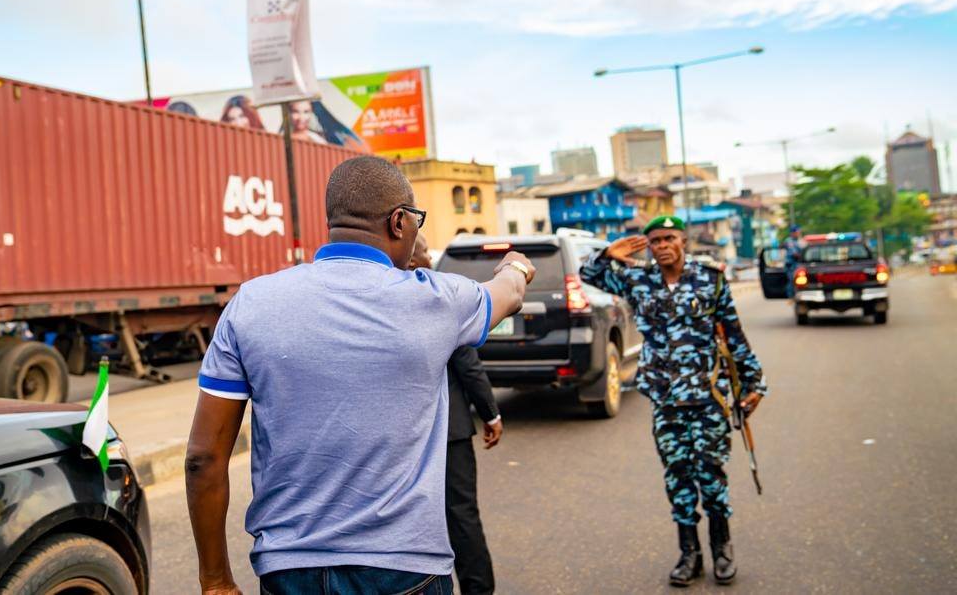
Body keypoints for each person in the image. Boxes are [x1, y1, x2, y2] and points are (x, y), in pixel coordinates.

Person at [185, 155, 535, 595]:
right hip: (406, 568)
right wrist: (515, 266)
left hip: (290, 570)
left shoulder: (251, 304)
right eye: (416, 221)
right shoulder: (436, 300)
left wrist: (215, 580)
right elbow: (511, 294)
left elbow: (203, 458)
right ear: (399, 222)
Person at [580, 215, 767, 587]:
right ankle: (689, 555)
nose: (662, 245)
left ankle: (722, 549)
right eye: (655, 241)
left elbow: (733, 332)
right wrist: (609, 253)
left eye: (669, 238)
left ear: (683, 240)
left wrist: (754, 383)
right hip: (666, 401)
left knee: (711, 476)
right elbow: (590, 276)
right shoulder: (639, 278)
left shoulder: (710, 279)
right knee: (677, 477)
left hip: (708, 397)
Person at [409, 234, 502, 595]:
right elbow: (468, 366)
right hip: (450, 432)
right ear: (414, 259)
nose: (431, 259)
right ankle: (478, 589)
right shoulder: (439, 300)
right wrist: (491, 414)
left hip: (407, 435)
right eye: (426, 253)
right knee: (461, 514)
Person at [784, 225, 804, 298]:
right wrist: (803, 256)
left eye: (799, 232)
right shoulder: (789, 241)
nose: (798, 233)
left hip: (799, 264)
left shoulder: (799, 240)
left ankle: (798, 295)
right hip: (791, 264)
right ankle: (791, 297)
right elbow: (794, 253)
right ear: (792, 233)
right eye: (797, 232)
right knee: (792, 280)